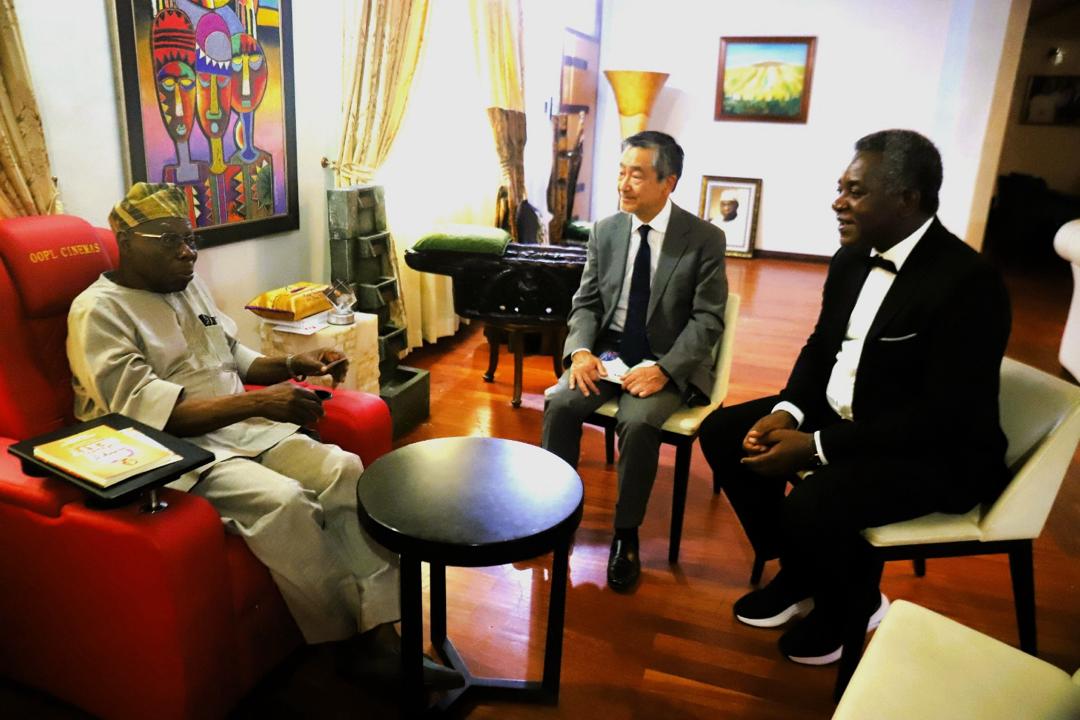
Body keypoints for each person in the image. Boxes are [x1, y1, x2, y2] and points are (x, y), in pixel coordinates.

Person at [66, 182, 463, 690]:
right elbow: (145, 412)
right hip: (181, 454)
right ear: (125, 240)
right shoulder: (99, 311)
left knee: (343, 469)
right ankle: (347, 644)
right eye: (169, 240)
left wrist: (294, 365)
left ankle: (383, 631)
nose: (187, 252)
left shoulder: (187, 284)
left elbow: (231, 354)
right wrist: (260, 401)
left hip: (244, 429)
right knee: (284, 502)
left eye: (190, 238)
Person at [698, 129, 1011, 665]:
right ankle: (803, 570)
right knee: (724, 433)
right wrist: (787, 411)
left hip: (936, 451)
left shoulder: (969, 282)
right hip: (852, 414)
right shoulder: (851, 258)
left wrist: (816, 446)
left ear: (906, 199)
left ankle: (853, 604)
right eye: (840, 187)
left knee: (816, 500)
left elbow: (943, 416)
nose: (838, 201)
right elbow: (821, 347)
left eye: (856, 191)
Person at [542, 131, 728, 592]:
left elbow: (707, 319)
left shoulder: (704, 238)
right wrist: (581, 351)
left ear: (669, 182)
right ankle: (553, 516)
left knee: (639, 421)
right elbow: (586, 302)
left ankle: (626, 534)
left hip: (667, 357)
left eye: (637, 175)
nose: (623, 184)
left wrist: (665, 369)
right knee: (561, 403)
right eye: (621, 172)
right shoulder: (606, 230)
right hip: (609, 352)